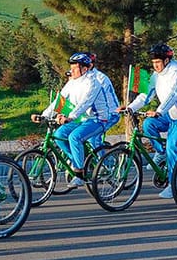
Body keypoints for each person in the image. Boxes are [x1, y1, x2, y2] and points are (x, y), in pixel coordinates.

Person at [118, 44, 177, 200]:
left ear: (167, 60)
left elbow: (173, 95)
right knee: (149, 124)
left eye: (158, 63)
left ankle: (173, 185)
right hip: (169, 115)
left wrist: (159, 111)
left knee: (172, 145)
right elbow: (146, 95)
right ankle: (160, 153)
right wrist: (130, 107)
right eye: (153, 63)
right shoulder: (156, 76)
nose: (155, 66)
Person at [31, 52, 119, 191]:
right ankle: (78, 161)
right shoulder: (73, 82)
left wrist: (70, 117)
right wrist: (44, 115)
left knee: (75, 137)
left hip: (98, 119)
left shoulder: (94, 82)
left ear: (84, 69)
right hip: (81, 119)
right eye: (71, 67)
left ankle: (79, 173)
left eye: (75, 68)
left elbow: (85, 103)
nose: (71, 71)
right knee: (59, 135)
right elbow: (60, 100)